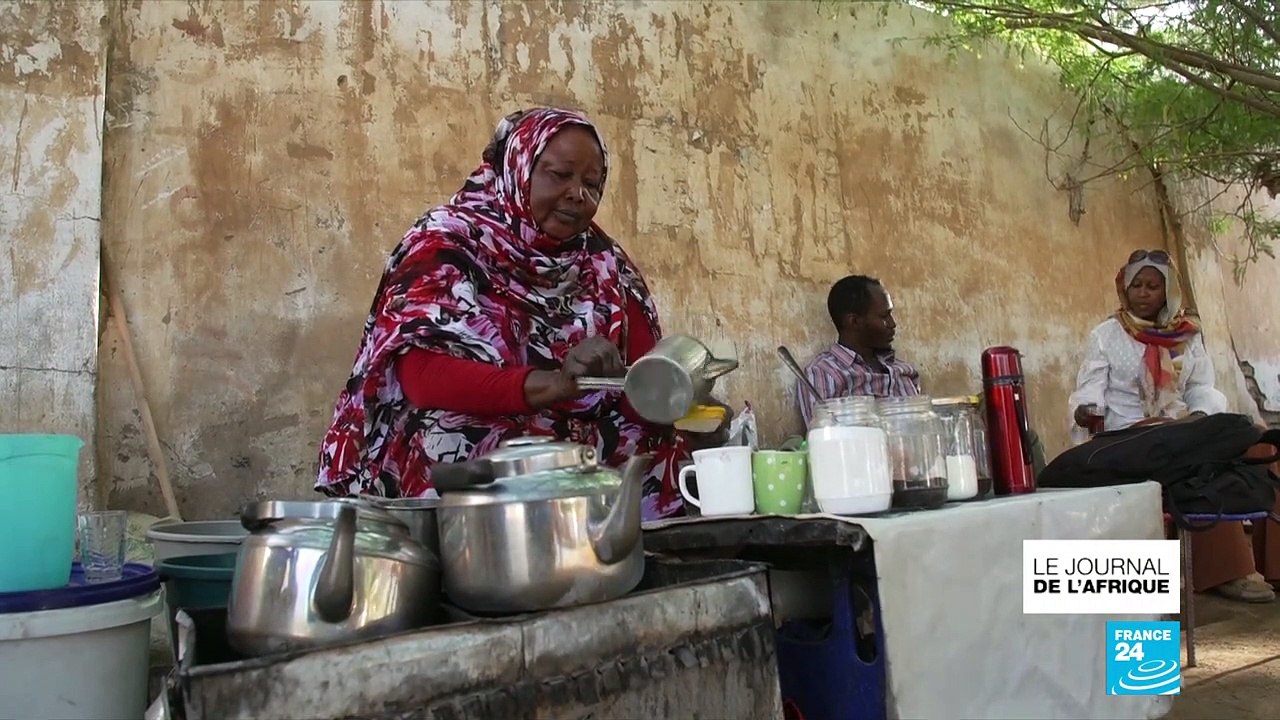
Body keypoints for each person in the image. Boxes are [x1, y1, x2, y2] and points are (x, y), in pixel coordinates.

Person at [314, 107, 728, 521]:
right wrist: (553, 385)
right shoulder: (447, 242)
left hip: (576, 452)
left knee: (656, 448)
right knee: (452, 434)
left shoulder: (603, 263)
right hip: (488, 435)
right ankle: (489, 562)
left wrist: (677, 399)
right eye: (560, 175)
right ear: (518, 167)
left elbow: (640, 378)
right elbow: (422, 379)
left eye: (592, 184)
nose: (577, 195)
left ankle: (632, 561)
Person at [1069, 248, 1278, 602]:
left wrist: (1200, 419)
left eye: (1153, 285)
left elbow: (1202, 388)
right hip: (1130, 433)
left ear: (1169, 291)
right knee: (1200, 466)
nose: (1144, 292)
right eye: (1137, 285)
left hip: (1185, 426)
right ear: (1124, 288)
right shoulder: (1106, 335)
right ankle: (1225, 572)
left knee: (1263, 444)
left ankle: (1274, 566)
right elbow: (1090, 391)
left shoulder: (1188, 335)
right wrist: (1087, 411)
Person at [796, 275, 922, 427]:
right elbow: (824, 438)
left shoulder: (903, 370)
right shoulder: (825, 373)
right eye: (884, 316)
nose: (892, 324)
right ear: (854, 322)